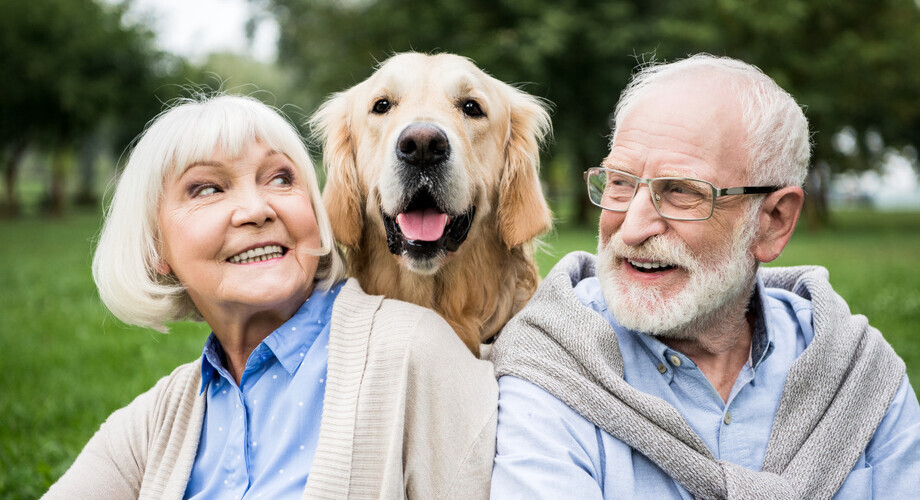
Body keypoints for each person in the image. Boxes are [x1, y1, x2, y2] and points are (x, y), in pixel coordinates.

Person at [490, 54, 920, 499]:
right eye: (618, 182)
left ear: (772, 222)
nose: (632, 228)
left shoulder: (859, 376)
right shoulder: (552, 365)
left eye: (680, 191)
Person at [43, 94, 497, 499]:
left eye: (280, 179)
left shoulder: (412, 352)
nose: (257, 210)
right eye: (207, 188)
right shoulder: (152, 425)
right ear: (155, 247)